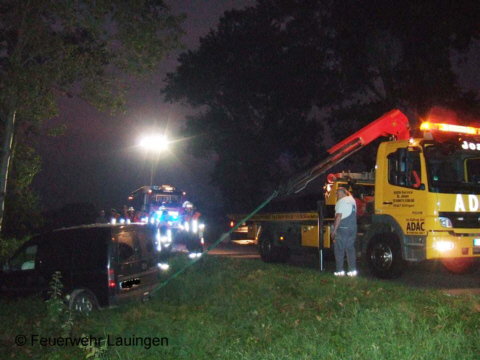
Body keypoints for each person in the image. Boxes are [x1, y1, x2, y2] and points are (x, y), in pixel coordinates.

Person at [331, 187, 357, 277]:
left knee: (339, 249)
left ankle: (339, 272)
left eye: (337, 193)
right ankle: (352, 271)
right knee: (350, 248)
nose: (336, 195)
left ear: (342, 193)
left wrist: (334, 230)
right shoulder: (352, 200)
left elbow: (338, 216)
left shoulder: (341, 202)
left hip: (343, 227)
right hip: (353, 227)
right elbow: (349, 194)